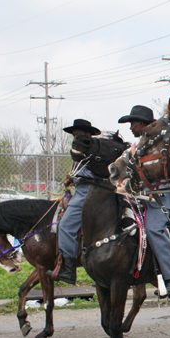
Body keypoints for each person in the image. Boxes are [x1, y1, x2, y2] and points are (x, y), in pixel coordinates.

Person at [118, 105, 170, 299]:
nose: (130, 128)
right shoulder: (138, 145)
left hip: (161, 196)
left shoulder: (159, 143)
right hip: (142, 196)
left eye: (133, 123)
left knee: (153, 229)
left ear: (143, 124)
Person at [50, 118, 101, 284]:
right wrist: (71, 179)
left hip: (86, 193)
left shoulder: (92, 151)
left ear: (87, 134)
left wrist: (78, 177)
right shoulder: (78, 151)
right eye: (74, 135)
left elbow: (96, 174)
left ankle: (68, 269)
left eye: (78, 134)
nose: (75, 138)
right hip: (81, 190)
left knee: (64, 226)